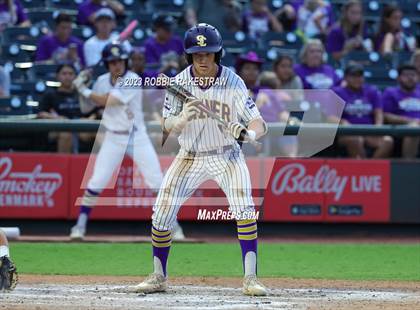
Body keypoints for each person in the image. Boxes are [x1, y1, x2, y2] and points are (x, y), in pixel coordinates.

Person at [129, 23, 268, 296]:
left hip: (226, 154)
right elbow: (166, 126)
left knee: (245, 210)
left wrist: (247, 131)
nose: (202, 59)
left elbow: (259, 122)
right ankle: (159, 275)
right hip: (189, 156)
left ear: (218, 54)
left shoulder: (233, 82)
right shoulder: (179, 82)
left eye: (208, 53)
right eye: (197, 54)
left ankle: (250, 279)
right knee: (162, 213)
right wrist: (180, 120)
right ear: (189, 55)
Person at [69, 43, 185, 240]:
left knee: (156, 181)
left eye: (120, 61)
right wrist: (80, 87)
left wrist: (84, 90)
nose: (117, 65)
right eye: (112, 62)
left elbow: (110, 101)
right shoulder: (101, 81)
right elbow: (86, 108)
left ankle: (174, 226)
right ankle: (79, 226)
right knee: (96, 181)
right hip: (113, 137)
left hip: (137, 136)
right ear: (107, 64)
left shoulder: (132, 79)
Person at [332, 63, 393, 158]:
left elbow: (378, 112)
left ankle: (371, 168)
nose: (357, 79)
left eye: (360, 76)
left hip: (369, 131)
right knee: (356, 139)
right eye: (353, 76)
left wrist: (378, 128)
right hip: (347, 132)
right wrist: (343, 122)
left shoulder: (371, 91)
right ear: (345, 77)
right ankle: (365, 169)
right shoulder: (337, 92)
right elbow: (329, 116)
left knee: (387, 141)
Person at [38, 64, 95, 153]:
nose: (67, 77)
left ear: (75, 77)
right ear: (57, 76)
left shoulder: (81, 94)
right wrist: (56, 118)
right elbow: (41, 113)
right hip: (58, 127)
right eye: (64, 74)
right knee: (66, 134)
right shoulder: (50, 95)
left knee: (99, 133)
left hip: (81, 127)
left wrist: (89, 119)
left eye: (70, 74)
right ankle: (62, 166)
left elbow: (94, 113)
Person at [256, 71, 298, 157]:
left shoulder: (256, 92)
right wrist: (297, 122)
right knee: (289, 132)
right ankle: (292, 158)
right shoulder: (273, 94)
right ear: (275, 82)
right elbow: (283, 114)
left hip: (258, 131)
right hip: (272, 130)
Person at [383, 64, 420, 158]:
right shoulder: (390, 92)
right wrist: (410, 121)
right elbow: (386, 115)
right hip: (401, 130)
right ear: (399, 78)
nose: (410, 78)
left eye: (413, 75)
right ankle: (408, 167)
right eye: (406, 75)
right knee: (413, 129)